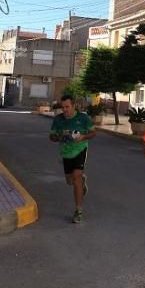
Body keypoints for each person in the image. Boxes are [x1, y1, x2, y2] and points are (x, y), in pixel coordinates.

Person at [49, 94, 96, 224]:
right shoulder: (58, 119)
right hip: (65, 152)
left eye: (67, 107)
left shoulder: (83, 118)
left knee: (76, 177)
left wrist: (83, 137)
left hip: (80, 150)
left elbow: (93, 132)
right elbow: (51, 136)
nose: (64, 110)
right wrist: (59, 137)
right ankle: (82, 182)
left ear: (73, 105)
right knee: (70, 181)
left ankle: (78, 211)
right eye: (62, 107)